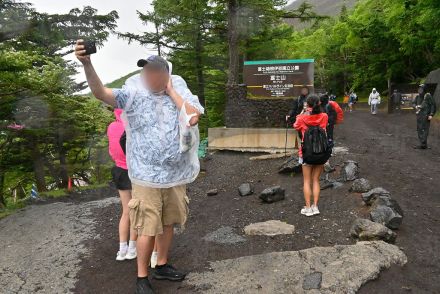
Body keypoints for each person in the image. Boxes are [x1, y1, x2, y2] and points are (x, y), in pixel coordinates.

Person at [75, 40, 204, 294]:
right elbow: (101, 93)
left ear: (166, 74)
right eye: (145, 70)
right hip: (145, 176)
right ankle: (142, 277)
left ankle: (163, 264)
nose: (148, 74)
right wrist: (88, 65)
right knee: (147, 225)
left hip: (175, 174)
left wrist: (171, 92)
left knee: (168, 222)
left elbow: (192, 116)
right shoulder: (133, 93)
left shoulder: (179, 90)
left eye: (154, 71)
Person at [107, 109, 137, 261]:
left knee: (126, 211)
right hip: (132, 171)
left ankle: (122, 250)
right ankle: (132, 248)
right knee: (136, 211)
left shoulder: (111, 126)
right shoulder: (132, 125)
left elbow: (112, 150)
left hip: (118, 170)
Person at [294, 95, 330, 217]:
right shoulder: (324, 116)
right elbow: (325, 126)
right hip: (321, 152)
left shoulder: (302, 118)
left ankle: (308, 208)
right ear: (319, 104)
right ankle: (315, 206)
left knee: (306, 180)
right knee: (316, 180)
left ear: (307, 105)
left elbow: (295, 126)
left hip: (306, 153)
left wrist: (303, 112)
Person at [413, 84, 437, 149]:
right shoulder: (417, 97)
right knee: (419, 129)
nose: (420, 90)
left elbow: (433, 105)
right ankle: (424, 144)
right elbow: (413, 103)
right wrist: (416, 106)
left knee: (424, 130)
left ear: (424, 90)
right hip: (419, 116)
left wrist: (431, 114)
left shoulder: (428, 96)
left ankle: (422, 144)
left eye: (421, 89)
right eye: (419, 89)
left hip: (426, 115)